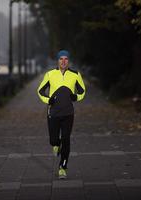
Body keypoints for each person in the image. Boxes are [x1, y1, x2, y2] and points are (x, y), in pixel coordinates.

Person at [37, 50, 86, 179]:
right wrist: (49, 100)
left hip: (68, 113)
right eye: (61, 59)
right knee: (53, 140)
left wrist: (76, 97)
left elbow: (82, 91)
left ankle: (63, 167)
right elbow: (40, 91)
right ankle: (56, 145)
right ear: (57, 61)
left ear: (68, 61)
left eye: (66, 59)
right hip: (53, 113)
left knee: (66, 139)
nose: (63, 61)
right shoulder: (50, 74)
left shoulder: (75, 75)